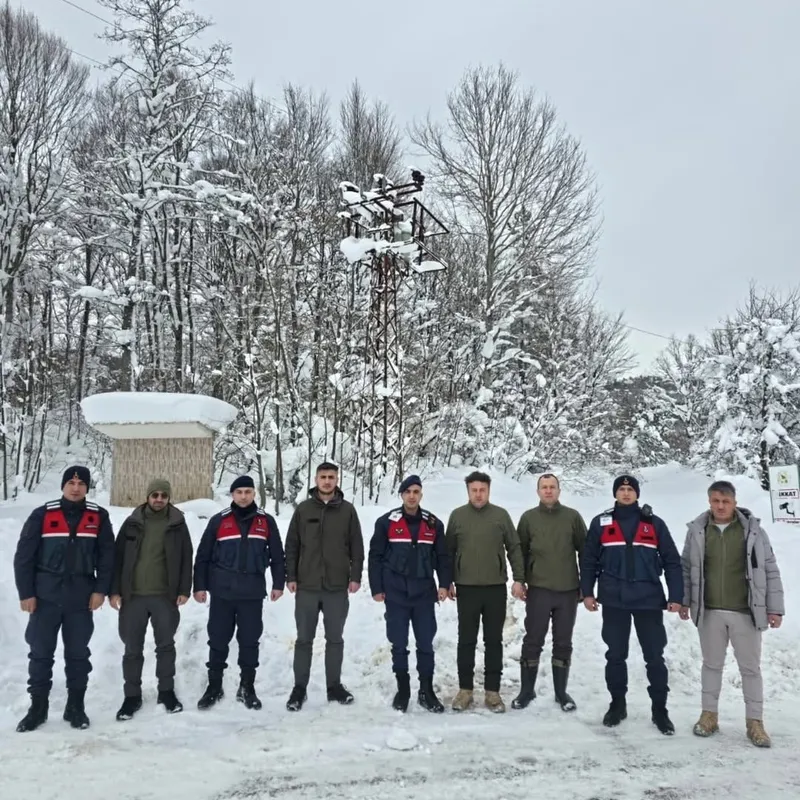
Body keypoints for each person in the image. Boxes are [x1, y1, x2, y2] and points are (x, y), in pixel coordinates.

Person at [680, 480, 785, 747]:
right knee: (711, 665)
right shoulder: (698, 531)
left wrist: (774, 608)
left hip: (745, 612)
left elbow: (769, 569)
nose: (720, 506)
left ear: (735, 502)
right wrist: (684, 601)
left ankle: (755, 722)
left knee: (750, 669)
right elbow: (686, 568)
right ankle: (709, 716)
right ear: (709, 502)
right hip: (710, 611)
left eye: (725, 501)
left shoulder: (753, 531)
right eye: (716, 501)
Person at [13, 465, 115, 732]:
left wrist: (100, 590)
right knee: (40, 654)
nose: (76, 488)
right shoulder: (43, 515)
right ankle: (38, 708)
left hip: (81, 598)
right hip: (45, 597)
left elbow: (107, 558)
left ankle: (75, 707)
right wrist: (26, 593)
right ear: (63, 485)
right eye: (71, 482)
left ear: (87, 487)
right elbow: (24, 557)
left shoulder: (98, 516)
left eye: (81, 484)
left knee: (78, 655)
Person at [580, 474, 683, 735]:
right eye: (621, 489)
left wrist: (676, 596)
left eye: (630, 489)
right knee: (615, 655)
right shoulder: (601, 522)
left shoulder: (654, 523)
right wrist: (587, 593)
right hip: (614, 599)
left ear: (637, 493)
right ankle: (617, 704)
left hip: (648, 599)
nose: (626, 493)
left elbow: (672, 561)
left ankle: (660, 710)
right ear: (615, 493)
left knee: (654, 657)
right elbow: (589, 560)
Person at [193, 475, 285, 710]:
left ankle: (247, 687)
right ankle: (214, 686)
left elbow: (277, 555)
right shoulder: (219, 521)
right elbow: (203, 556)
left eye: (248, 492)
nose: (243, 496)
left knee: (249, 641)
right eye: (239, 492)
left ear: (254, 493)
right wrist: (200, 586)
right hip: (222, 593)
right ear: (232, 495)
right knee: (218, 640)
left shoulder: (265, 521)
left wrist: (278, 583)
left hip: (252, 593)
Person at [109, 478, 193, 721]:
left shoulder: (177, 524)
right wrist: (114, 590)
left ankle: (166, 692)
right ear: (147, 496)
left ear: (168, 498)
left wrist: (184, 589)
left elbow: (187, 557)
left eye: (163, 495)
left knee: (165, 646)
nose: (159, 499)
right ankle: (131, 696)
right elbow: (117, 558)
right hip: (133, 596)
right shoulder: (132, 522)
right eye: (155, 495)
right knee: (132, 649)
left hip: (164, 597)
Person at [368, 474, 452, 713]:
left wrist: (444, 584)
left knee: (425, 643)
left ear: (421, 495)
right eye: (408, 492)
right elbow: (375, 557)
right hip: (396, 593)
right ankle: (403, 690)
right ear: (401, 495)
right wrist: (377, 588)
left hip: (424, 594)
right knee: (398, 643)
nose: (412, 496)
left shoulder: (433, 524)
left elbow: (442, 557)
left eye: (416, 492)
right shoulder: (386, 522)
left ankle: (426, 691)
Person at [284, 461, 364, 711]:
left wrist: (355, 576)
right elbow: (292, 545)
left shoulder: (347, 511)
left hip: (336, 587)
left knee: (335, 639)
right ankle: (299, 689)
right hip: (307, 585)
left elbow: (357, 546)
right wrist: (291, 576)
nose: (327, 481)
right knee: (303, 640)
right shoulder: (303, 509)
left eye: (331, 477)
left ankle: (334, 687)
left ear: (337, 480)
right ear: (316, 480)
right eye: (323, 477)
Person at [445, 470, 526, 713]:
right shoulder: (457, 516)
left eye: (482, 490)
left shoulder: (500, 516)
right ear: (468, 491)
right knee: (466, 640)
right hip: (466, 588)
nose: (478, 494)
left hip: (494, 588)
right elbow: (448, 551)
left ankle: (492, 691)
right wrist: (447, 581)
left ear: (489, 490)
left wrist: (519, 578)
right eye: (474, 490)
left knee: (493, 641)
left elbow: (514, 547)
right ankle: (465, 690)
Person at [512, 473, 587, 711]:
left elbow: (585, 552)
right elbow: (520, 552)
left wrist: (586, 586)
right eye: (544, 487)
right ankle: (526, 690)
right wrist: (520, 580)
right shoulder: (528, 518)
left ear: (559, 490)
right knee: (533, 640)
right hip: (539, 589)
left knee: (563, 642)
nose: (548, 490)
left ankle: (561, 692)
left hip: (567, 590)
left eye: (552, 487)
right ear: (538, 491)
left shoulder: (572, 517)